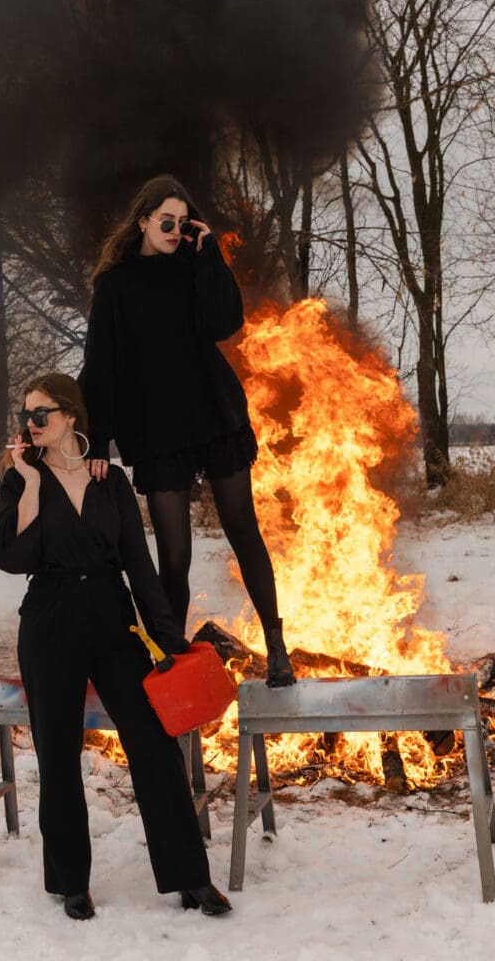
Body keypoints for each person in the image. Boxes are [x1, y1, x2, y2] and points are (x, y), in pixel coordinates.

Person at [0, 373, 231, 920]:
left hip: (112, 623)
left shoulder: (109, 481)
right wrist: (26, 482)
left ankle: (191, 878)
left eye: (41, 413)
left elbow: (138, 566)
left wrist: (169, 642)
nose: (31, 424)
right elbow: (8, 556)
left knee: (152, 743)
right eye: (26, 416)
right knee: (57, 750)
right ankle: (71, 881)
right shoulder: (22, 479)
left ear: (71, 417)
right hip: (49, 622)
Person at [78, 174, 296, 687]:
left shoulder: (195, 267)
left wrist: (209, 254)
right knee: (174, 554)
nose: (174, 231)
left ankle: (277, 645)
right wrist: (97, 440)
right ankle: (171, 656)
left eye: (182, 222)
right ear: (144, 222)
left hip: (213, 412)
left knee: (244, 528)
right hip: (156, 426)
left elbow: (226, 324)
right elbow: (100, 366)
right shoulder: (115, 285)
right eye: (166, 222)